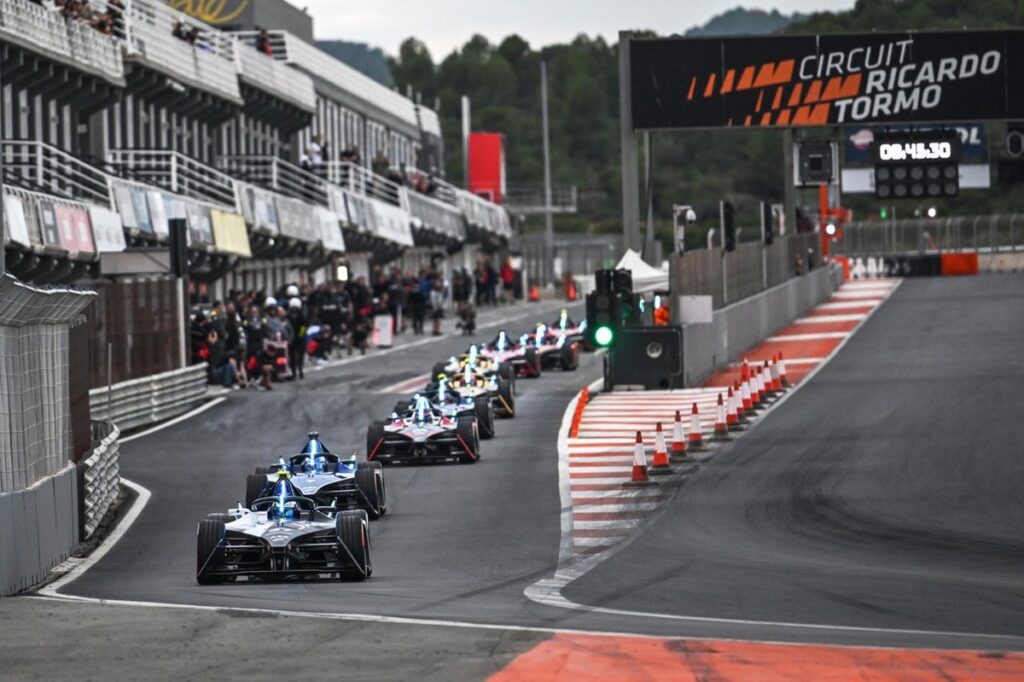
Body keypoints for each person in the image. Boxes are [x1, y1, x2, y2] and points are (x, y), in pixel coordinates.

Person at [286, 298, 307, 379]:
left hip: (292, 338)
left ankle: (294, 372)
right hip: (299, 338)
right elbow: (304, 326)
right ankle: (300, 370)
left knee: (292, 356)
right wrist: (301, 335)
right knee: (300, 355)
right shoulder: (301, 315)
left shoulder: (288, 315)